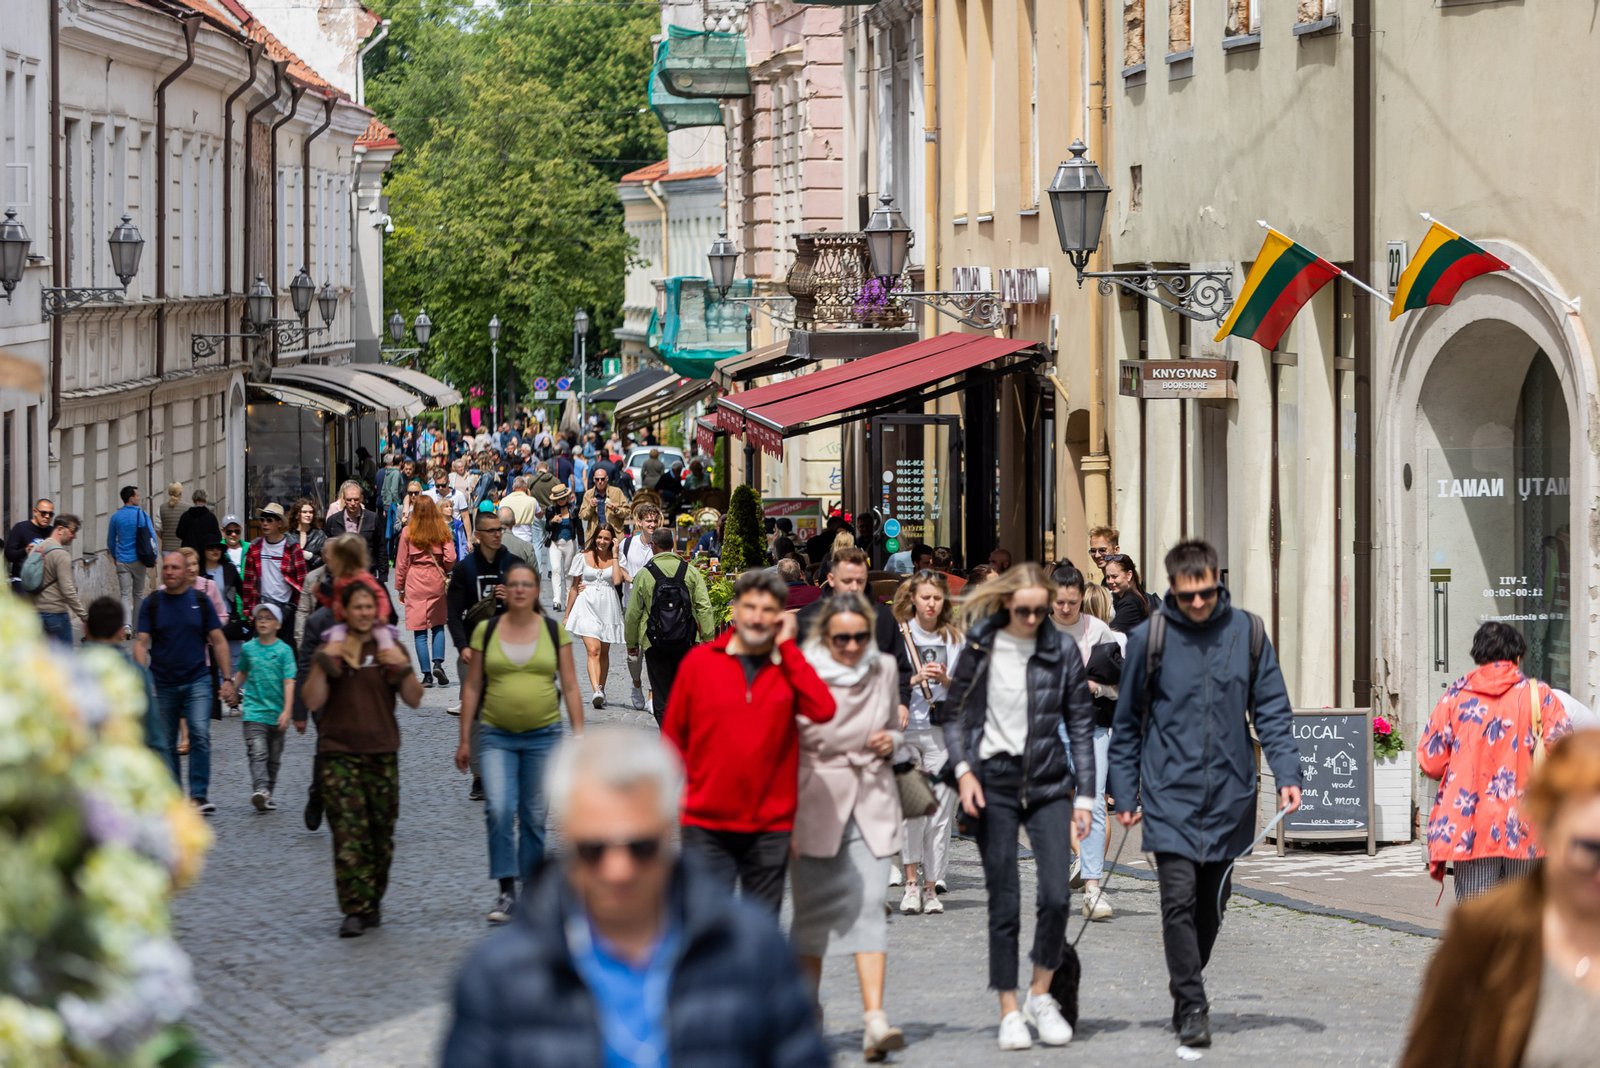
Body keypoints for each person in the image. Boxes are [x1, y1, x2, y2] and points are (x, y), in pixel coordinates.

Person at [441, 728, 829, 1067]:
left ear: (667, 833)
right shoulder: (497, 976)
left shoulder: (752, 948)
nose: (618, 869)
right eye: (594, 849)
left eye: (640, 847)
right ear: (566, 838)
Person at [1107, 540, 1302, 1050]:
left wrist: (1288, 772)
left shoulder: (1248, 633)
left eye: (1207, 593)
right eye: (1188, 595)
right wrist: (1124, 791)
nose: (1199, 603)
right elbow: (1126, 726)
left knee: (1212, 905)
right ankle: (1192, 1004)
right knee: (1177, 900)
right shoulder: (1151, 638)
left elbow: (1273, 711)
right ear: (1172, 588)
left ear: (1219, 582)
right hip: (1169, 795)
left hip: (1230, 795)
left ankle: (1184, 980)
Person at [934, 563, 1094, 1051]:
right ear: (1006, 604)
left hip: (1047, 783)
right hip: (994, 783)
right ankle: (1008, 1008)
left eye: (1040, 611)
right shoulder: (981, 645)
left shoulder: (1060, 648)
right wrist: (962, 772)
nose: (1032, 619)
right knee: (1004, 899)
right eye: (1023, 610)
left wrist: (1084, 795)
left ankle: (1040, 995)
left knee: (1055, 895)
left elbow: (1080, 725)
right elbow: (954, 713)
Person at [1401, 731, 1600, 1068]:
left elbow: (1431, 758)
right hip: (1496, 828)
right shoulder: (1485, 932)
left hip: (1474, 825)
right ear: (1550, 829)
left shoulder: (1460, 700)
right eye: (1588, 849)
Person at [661, 570, 836, 914]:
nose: (758, 617)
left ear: (779, 617)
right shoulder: (701, 662)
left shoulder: (787, 665)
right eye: (750, 607)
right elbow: (673, 738)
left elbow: (823, 709)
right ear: (735, 611)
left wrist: (787, 647)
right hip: (707, 821)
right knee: (708, 925)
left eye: (768, 610)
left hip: (770, 823)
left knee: (761, 926)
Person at [792, 593, 907, 1060]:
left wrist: (892, 739)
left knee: (869, 905)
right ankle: (806, 1014)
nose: (852, 646)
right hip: (815, 796)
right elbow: (790, 737)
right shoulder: (803, 670)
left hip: (872, 796)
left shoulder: (884, 668)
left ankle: (875, 1019)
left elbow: (897, 725)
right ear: (825, 636)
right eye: (842, 638)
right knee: (811, 917)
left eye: (860, 636)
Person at [455, 559, 586, 924]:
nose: (520, 590)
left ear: (535, 590)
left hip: (544, 735)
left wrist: (579, 739)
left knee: (533, 815)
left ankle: (530, 891)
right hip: (497, 735)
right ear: (505, 590)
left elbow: (572, 686)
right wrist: (465, 738)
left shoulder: (551, 631)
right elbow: (473, 685)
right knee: (498, 808)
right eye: (513, 584)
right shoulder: (488, 631)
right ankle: (505, 890)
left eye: (527, 584)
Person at [301, 582, 424, 937]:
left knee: (380, 836)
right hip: (338, 752)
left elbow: (414, 699)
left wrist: (401, 668)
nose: (364, 613)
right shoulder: (334, 645)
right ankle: (354, 908)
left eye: (369, 607)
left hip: (382, 751)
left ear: (378, 610)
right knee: (348, 835)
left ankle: (372, 902)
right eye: (357, 607)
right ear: (345, 611)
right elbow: (311, 700)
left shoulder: (389, 645)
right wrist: (324, 664)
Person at [1418, 620, 1573, 901]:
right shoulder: (1540, 696)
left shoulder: (1455, 697)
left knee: (1478, 916)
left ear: (1479, 655)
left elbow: (1431, 762)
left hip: (1470, 824)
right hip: (1527, 821)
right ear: (1517, 656)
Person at [1050, 565, 1124, 922]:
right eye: (1060, 603)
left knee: (1092, 803)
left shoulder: (1098, 630)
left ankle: (1093, 887)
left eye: (1073, 603)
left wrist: (1097, 686)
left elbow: (1119, 683)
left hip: (1090, 724)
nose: (1066, 610)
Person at [136, 551, 236, 814]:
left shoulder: (200, 601)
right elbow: (141, 642)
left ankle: (199, 795)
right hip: (163, 680)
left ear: (185, 572)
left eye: (174, 568)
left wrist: (227, 679)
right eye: (165, 567)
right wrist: (140, 676)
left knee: (200, 735)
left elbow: (219, 640)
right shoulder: (152, 603)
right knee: (167, 742)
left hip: (198, 679)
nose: (169, 572)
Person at [892, 570, 964, 915]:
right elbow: (886, 679)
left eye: (937, 598)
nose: (931, 604)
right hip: (907, 731)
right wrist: (913, 679)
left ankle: (931, 886)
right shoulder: (900, 634)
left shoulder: (954, 638)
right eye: (926, 598)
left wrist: (946, 678)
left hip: (941, 731)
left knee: (939, 814)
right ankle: (910, 884)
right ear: (914, 599)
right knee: (913, 810)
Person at [446, 510, 517, 799]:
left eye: (499, 529)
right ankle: (479, 776)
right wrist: (462, 646)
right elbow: (452, 612)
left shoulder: (513, 564)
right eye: (490, 530)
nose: (497, 534)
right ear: (477, 535)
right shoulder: (465, 569)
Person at [625, 526, 715, 722]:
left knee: (661, 693)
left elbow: (632, 613)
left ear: (653, 546)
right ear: (673, 545)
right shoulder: (690, 571)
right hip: (687, 641)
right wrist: (708, 638)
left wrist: (632, 644)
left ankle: (668, 737)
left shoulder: (644, 574)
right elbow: (704, 607)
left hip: (654, 643)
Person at [231, 603, 296, 812]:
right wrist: (231, 687)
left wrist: (287, 710)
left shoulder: (285, 651)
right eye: (260, 618)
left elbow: (289, 681)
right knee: (258, 752)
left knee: (274, 759)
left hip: (277, 713)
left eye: (268, 618)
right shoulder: (249, 648)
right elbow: (242, 672)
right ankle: (260, 789)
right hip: (253, 711)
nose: (263, 622)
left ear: (277, 624)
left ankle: (268, 792)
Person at [395, 493, 457, 689]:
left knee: (419, 631)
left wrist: (400, 587)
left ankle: (427, 675)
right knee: (438, 624)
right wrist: (445, 569)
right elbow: (451, 556)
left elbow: (402, 562)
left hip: (415, 579)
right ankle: (438, 662)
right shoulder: (442, 529)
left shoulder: (407, 532)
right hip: (435, 578)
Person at [565, 524, 626, 710]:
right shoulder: (582, 557)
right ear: (595, 537)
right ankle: (596, 690)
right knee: (593, 650)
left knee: (604, 652)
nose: (602, 542)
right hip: (586, 605)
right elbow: (574, 587)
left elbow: (617, 581)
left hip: (608, 606)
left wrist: (615, 554)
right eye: (600, 537)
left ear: (612, 541)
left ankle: (602, 688)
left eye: (607, 538)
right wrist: (567, 614)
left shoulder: (617, 557)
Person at [620, 503, 665, 711]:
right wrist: (631, 578)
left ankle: (652, 693)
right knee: (634, 654)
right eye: (648, 520)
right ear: (639, 522)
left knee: (654, 652)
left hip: (656, 608)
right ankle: (636, 683)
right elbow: (619, 568)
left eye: (655, 521)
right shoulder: (628, 545)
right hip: (631, 605)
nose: (652, 524)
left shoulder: (661, 545)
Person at [242, 503, 306, 651]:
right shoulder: (255, 547)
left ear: (279, 523)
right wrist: (249, 613)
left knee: (285, 653)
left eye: (269, 520)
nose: (264, 523)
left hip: (287, 610)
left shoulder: (292, 547)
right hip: (263, 608)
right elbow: (248, 583)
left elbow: (302, 581)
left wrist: (298, 610)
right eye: (262, 519)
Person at [27, 513, 87, 645]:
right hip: (55, 614)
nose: (74, 536)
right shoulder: (61, 555)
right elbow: (68, 590)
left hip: (35, 613)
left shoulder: (36, 548)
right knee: (64, 660)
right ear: (60, 529)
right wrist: (84, 616)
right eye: (73, 531)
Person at [106, 488, 156, 629]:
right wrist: (154, 555)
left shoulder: (116, 517)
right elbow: (152, 537)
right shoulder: (143, 515)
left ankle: (126, 625)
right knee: (138, 593)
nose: (139, 497)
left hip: (122, 559)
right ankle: (137, 626)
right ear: (131, 498)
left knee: (124, 594)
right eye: (137, 495)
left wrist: (115, 556)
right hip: (139, 559)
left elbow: (110, 541)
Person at [329, 480, 384, 582]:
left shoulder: (373, 518)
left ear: (361, 499)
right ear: (344, 500)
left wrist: (382, 575)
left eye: (356, 499)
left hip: (366, 574)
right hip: (340, 576)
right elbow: (328, 549)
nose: (353, 503)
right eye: (349, 500)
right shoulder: (333, 521)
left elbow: (380, 547)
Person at [6, 497, 56, 591]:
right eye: (43, 513)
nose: (47, 517)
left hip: (44, 583)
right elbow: (9, 555)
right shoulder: (21, 528)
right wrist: (25, 550)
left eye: (50, 514)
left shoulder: (52, 532)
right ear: (35, 512)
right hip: (21, 580)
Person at [545, 483, 580, 607]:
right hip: (555, 543)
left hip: (570, 542)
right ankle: (556, 599)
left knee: (568, 572)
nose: (561, 501)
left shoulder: (574, 509)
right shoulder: (550, 510)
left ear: (567, 497)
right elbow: (547, 527)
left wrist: (582, 546)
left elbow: (579, 528)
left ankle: (568, 599)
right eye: (558, 499)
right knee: (555, 569)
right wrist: (552, 521)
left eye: (563, 498)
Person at [1103, 553, 1155, 633]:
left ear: (1129, 575)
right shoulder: (1126, 597)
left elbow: (1112, 636)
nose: (1109, 581)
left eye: (1114, 576)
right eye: (1107, 577)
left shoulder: (1130, 602)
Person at [580, 466, 630, 533]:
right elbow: (583, 516)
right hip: (595, 535)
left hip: (614, 533)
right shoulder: (588, 494)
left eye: (602, 479)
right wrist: (590, 507)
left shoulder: (617, 492)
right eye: (597, 479)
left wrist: (615, 509)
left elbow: (627, 512)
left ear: (607, 479)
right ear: (594, 479)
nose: (600, 482)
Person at [175, 488, 222, 554]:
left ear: (193, 500)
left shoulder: (185, 516)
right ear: (205, 500)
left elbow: (179, 533)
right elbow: (218, 537)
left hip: (188, 551)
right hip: (205, 552)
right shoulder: (211, 517)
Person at [290, 498, 327, 574]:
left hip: (313, 579)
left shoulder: (320, 535)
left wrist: (310, 557)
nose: (308, 515)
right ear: (297, 515)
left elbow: (326, 562)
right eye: (304, 512)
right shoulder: (288, 535)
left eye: (311, 512)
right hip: (293, 580)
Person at [158, 482, 185, 553]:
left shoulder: (161, 508)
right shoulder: (188, 508)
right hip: (183, 548)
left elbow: (157, 528)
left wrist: (165, 538)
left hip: (166, 548)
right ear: (181, 493)